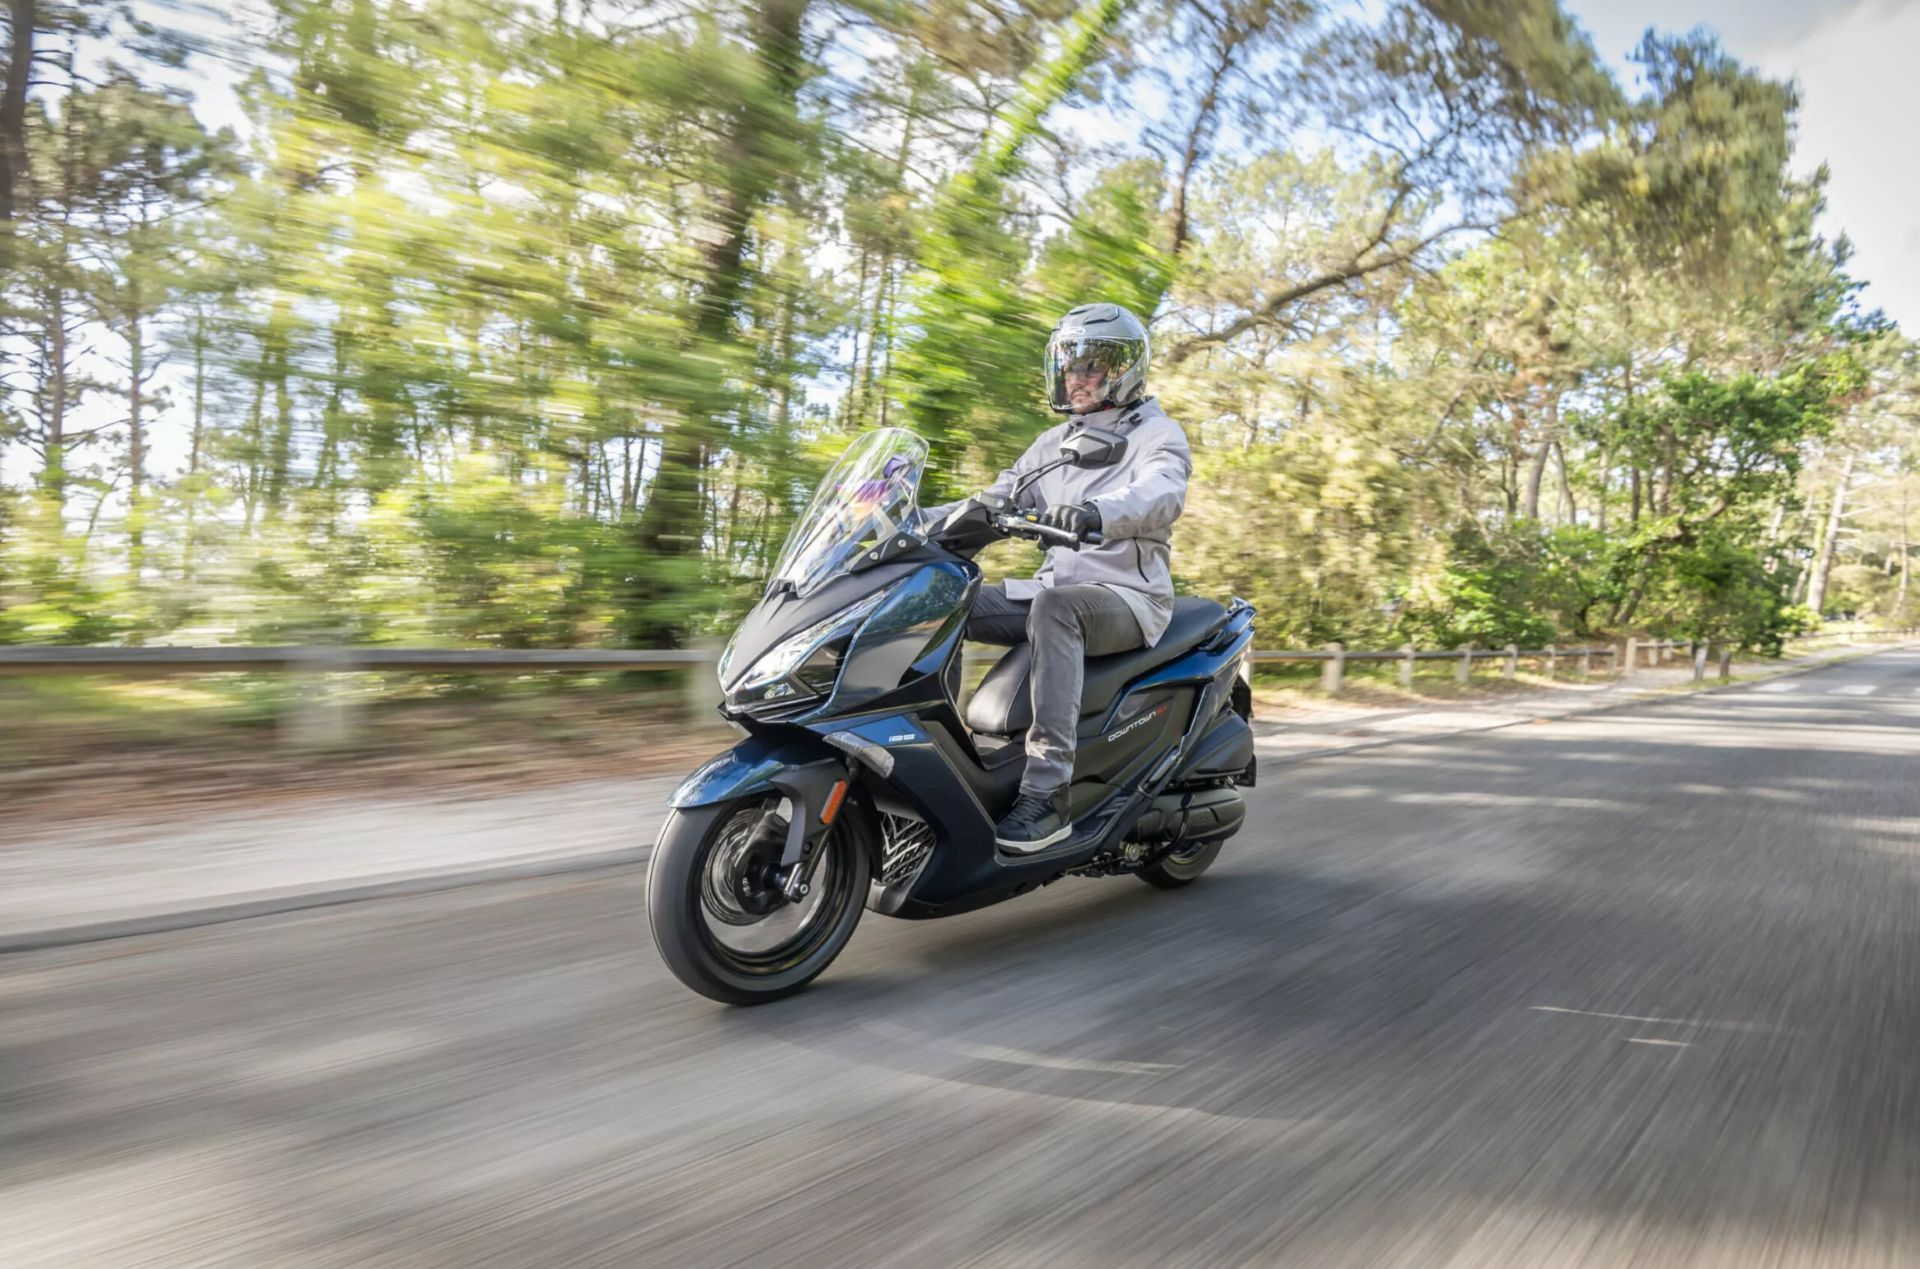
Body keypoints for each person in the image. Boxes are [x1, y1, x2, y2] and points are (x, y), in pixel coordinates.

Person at [964, 302, 1192, 852]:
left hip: (1128, 596)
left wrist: (1096, 512)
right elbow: (995, 497)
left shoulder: (1157, 435)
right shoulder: (1054, 444)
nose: (1077, 378)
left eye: (1091, 366)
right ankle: (945, 760)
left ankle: (1048, 795)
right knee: (946, 598)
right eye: (1069, 367)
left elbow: (1160, 492)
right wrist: (899, 520)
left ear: (1124, 370)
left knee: (1056, 609)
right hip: (1056, 589)